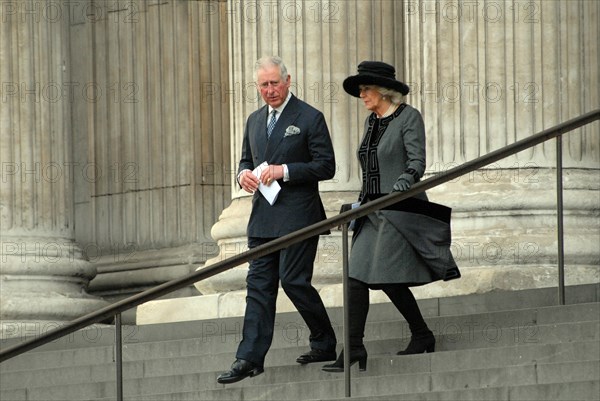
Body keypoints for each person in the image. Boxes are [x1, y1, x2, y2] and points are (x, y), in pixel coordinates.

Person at [322, 61, 460, 373]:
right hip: (370, 211)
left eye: (366, 88)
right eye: (360, 90)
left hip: (398, 209)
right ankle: (356, 346)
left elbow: (417, 160)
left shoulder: (408, 117)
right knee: (357, 277)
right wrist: (356, 206)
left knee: (386, 276)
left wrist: (404, 181)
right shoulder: (372, 122)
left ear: (384, 91)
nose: (362, 95)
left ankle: (421, 335)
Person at [217, 56, 338, 384]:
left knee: (294, 280)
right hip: (263, 218)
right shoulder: (254, 120)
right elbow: (245, 158)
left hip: (300, 216)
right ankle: (249, 358)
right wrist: (243, 174)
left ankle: (324, 340)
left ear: (288, 81)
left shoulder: (310, 117)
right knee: (257, 286)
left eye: (274, 83)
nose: (269, 90)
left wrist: (284, 171)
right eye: (263, 85)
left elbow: (326, 166)